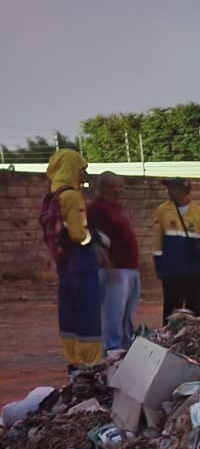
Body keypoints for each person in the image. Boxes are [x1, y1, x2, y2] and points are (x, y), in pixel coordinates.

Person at [45, 148, 103, 370]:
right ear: (72, 168)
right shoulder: (72, 195)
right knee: (88, 311)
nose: (83, 174)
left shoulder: (53, 193)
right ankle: (91, 363)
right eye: (81, 169)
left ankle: (73, 361)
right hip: (81, 261)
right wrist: (95, 238)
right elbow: (78, 234)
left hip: (64, 262)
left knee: (68, 310)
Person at [152, 178, 200, 323]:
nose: (168, 192)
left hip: (193, 270)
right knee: (171, 310)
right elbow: (157, 240)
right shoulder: (162, 210)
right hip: (171, 270)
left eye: (172, 189)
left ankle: (194, 335)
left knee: (195, 310)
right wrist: (158, 264)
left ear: (183, 192)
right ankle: (170, 335)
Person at [87, 172, 140, 351]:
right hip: (115, 269)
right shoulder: (96, 209)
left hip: (130, 267)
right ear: (100, 187)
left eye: (120, 186)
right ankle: (113, 348)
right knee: (114, 312)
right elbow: (93, 239)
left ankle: (126, 345)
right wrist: (106, 263)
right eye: (111, 186)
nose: (117, 190)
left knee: (128, 312)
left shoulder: (118, 208)